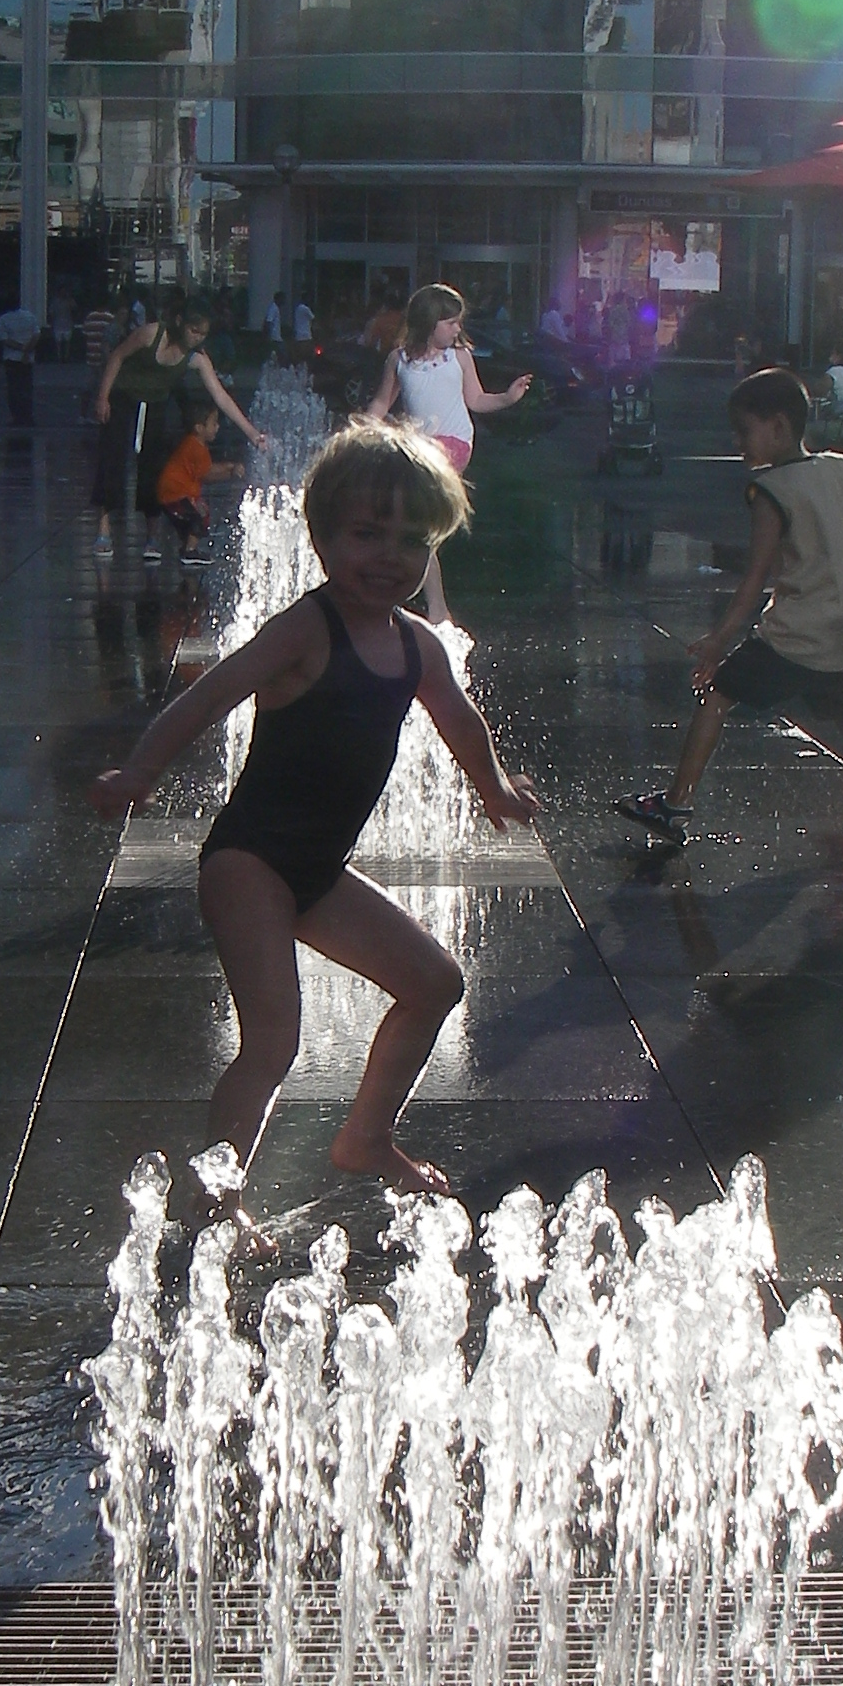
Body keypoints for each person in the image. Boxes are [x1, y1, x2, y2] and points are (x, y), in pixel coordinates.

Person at [89, 420, 540, 1222]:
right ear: (323, 537)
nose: (389, 557)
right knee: (273, 1041)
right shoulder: (307, 629)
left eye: (411, 540)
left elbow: (460, 722)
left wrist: (493, 786)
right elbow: (210, 695)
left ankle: (366, 1138)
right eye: (367, 534)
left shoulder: (418, 646)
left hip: (319, 872)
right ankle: (214, 1201)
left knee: (434, 982)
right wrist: (141, 771)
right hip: (250, 862)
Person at [616, 370, 843, 848]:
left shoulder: (772, 489)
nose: (738, 442)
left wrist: (719, 640)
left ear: (777, 427)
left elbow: (755, 578)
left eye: (744, 431)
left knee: (717, 694)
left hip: (796, 632)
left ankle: (676, 804)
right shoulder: (840, 467)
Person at [365, 283, 531, 622]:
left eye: (458, 322)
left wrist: (507, 398)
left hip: (454, 444)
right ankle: (428, 605)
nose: (458, 329)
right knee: (416, 526)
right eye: (451, 323)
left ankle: (435, 609)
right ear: (429, 322)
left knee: (417, 520)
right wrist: (360, 430)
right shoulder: (400, 360)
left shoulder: (459, 357)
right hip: (420, 447)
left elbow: (476, 400)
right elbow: (382, 402)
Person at [91, 296, 269, 563]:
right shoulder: (151, 334)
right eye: (194, 330)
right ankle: (103, 529)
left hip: (155, 404)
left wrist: (252, 433)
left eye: (203, 334)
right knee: (112, 462)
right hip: (122, 398)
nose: (197, 338)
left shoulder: (197, 358)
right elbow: (117, 356)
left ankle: (152, 536)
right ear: (179, 322)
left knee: (152, 467)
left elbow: (220, 396)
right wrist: (103, 397)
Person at [153, 400, 241, 566]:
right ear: (199, 428)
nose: (217, 427)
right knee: (199, 515)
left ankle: (186, 547)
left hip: (172, 492)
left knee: (193, 515)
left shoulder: (193, 444)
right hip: (176, 493)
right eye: (213, 424)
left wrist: (229, 467)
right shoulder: (196, 448)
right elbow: (206, 475)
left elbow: (207, 468)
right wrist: (230, 473)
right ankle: (190, 551)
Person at [0, 301, 40, 427]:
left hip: (11, 358)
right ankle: (28, 416)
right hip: (28, 359)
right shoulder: (30, 316)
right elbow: (36, 335)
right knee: (26, 388)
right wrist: (28, 350)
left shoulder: (4, 319)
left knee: (13, 389)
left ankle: (17, 417)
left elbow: (5, 339)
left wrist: (21, 347)